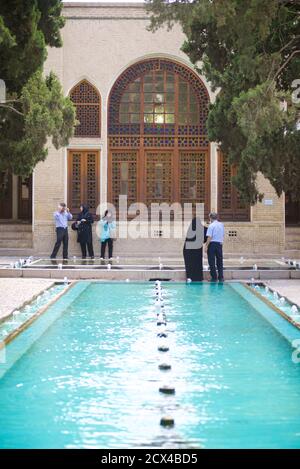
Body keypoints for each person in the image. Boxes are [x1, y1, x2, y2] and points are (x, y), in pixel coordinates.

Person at [206, 212, 225, 282]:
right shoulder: (221, 225)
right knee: (220, 261)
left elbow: (209, 237)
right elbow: (223, 235)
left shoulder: (211, 226)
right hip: (219, 244)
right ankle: (221, 277)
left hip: (212, 244)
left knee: (211, 261)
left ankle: (214, 277)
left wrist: (206, 246)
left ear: (210, 218)